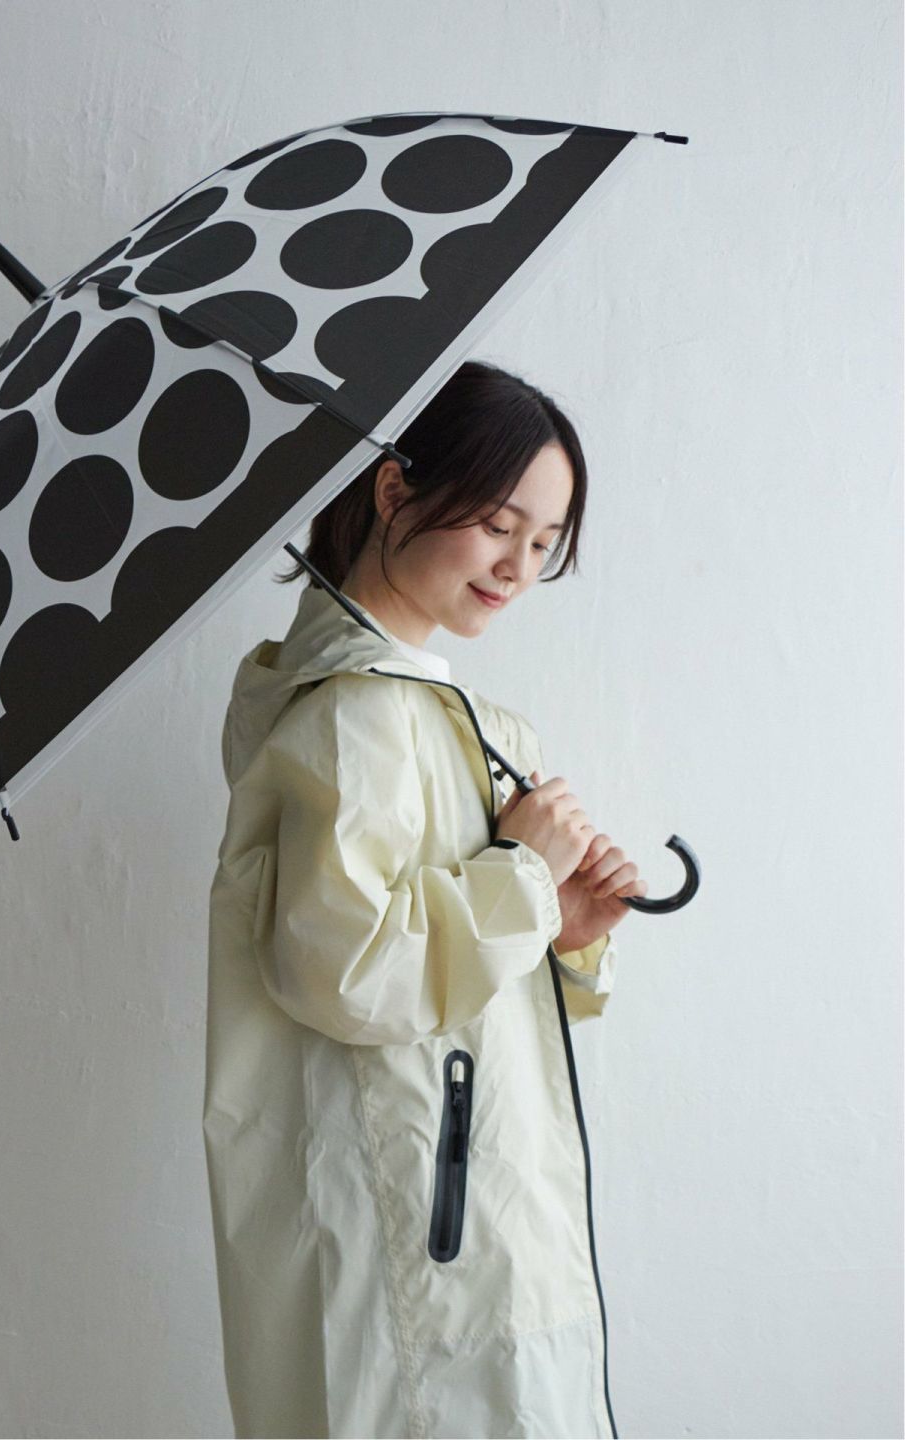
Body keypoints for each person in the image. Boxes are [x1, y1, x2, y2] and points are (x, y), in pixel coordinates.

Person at [202, 360, 647, 1439]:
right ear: (394, 489)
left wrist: (562, 931)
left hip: (477, 1213)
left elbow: (467, 985)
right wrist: (522, 875)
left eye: (544, 544)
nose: (517, 568)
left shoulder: (456, 717)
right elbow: (345, 968)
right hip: (412, 1232)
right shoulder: (352, 716)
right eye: (499, 526)